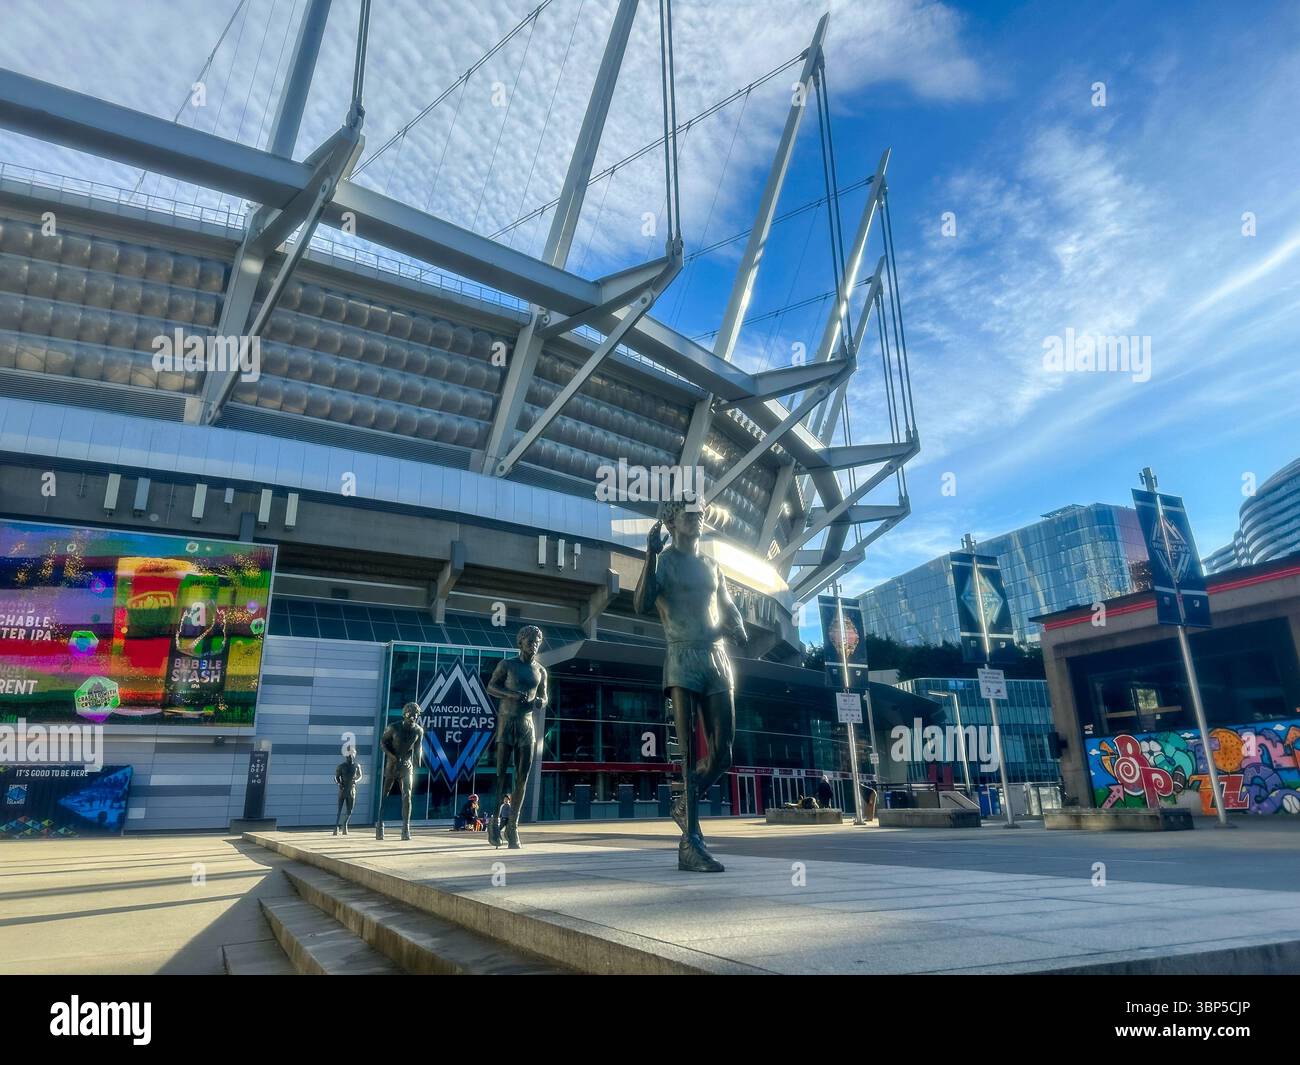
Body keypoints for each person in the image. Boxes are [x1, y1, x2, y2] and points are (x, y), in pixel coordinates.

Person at [634, 499, 747, 873]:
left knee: (723, 753)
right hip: (682, 657)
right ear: (671, 521)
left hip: (716, 657)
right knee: (685, 756)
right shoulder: (664, 562)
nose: (698, 519)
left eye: (700, 514)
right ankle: (691, 843)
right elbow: (640, 603)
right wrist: (649, 557)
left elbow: (727, 604)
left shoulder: (712, 565)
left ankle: (686, 802)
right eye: (689, 514)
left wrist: (737, 622)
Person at [485, 627, 547, 849]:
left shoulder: (540, 671)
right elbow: (491, 687)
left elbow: (544, 697)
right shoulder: (507, 664)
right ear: (520, 642)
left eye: (538, 641)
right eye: (530, 641)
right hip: (506, 723)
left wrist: (540, 702)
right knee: (501, 774)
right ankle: (494, 822)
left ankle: (513, 826)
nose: (534, 645)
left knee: (522, 777)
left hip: (526, 725)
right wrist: (510, 694)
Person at [376, 701, 424, 841]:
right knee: (385, 794)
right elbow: (382, 743)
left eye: (416, 715)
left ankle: (405, 828)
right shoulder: (393, 727)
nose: (413, 717)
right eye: (410, 714)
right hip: (392, 765)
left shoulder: (418, 730)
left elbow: (418, 747)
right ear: (405, 713)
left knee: (407, 795)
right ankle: (380, 824)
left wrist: (417, 760)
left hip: (406, 766)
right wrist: (392, 756)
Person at [333, 751, 364, 835]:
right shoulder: (341, 766)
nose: (349, 758)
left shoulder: (357, 766)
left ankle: (345, 824)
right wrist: (339, 783)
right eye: (348, 757)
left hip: (352, 790)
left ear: (354, 757)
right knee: (339, 810)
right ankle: (336, 827)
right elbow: (336, 777)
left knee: (349, 810)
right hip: (343, 790)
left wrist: (356, 780)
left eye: (351, 757)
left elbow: (360, 776)